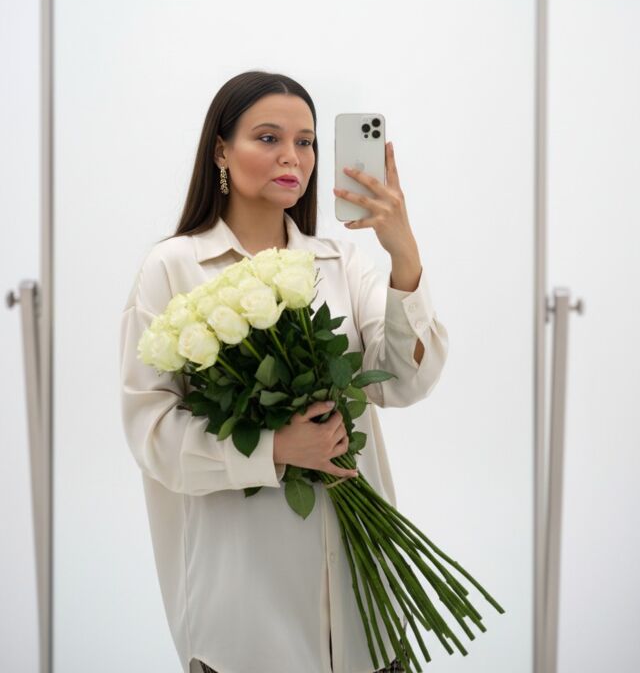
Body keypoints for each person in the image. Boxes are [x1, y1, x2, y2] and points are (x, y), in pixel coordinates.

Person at [120, 70, 449, 673]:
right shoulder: (173, 268)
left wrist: (403, 253)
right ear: (221, 150)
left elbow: (406, 380)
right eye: (268, 138)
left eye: (306, 141)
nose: (292, 157)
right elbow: (153, 434)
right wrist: (274, 450)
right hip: (246, 617)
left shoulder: (339, 261)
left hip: (365, 609)